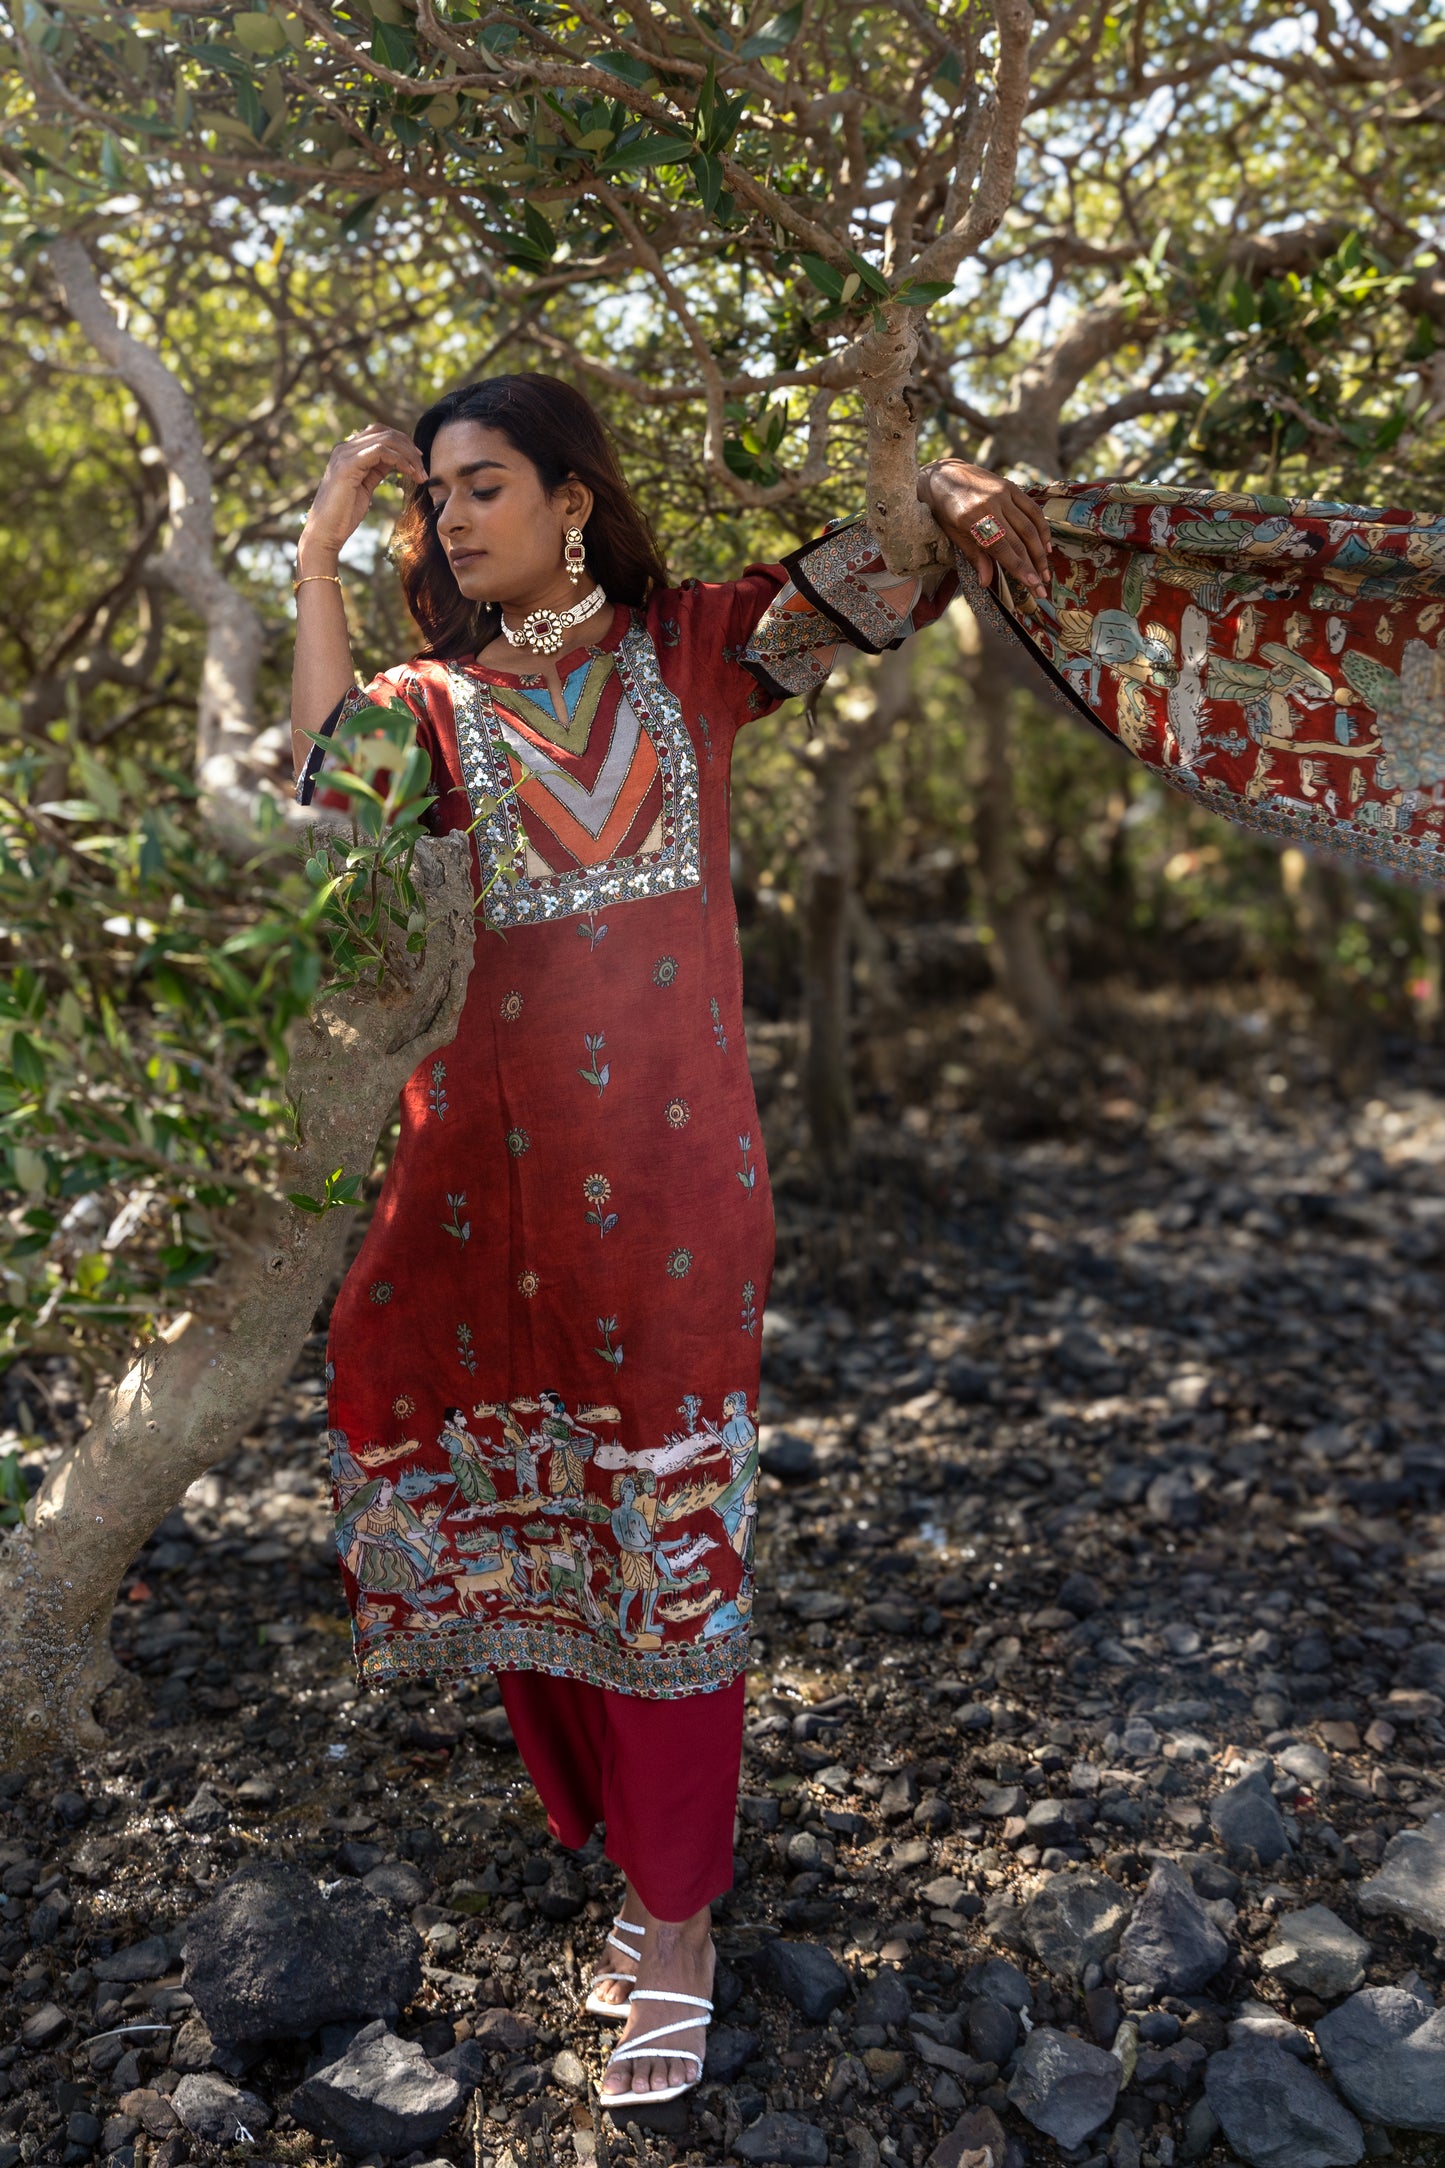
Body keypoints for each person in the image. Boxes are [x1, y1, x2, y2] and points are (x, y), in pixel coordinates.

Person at [290, 372, 1048, 2109]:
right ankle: (635, 1857)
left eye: (483, 486)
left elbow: (882, 572)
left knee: (665, 1544)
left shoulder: (696, 650)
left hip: (676, 1204)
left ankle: (679, 1917)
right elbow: (335, 825)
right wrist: (320, 565)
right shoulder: (427, 706)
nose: (451, 522)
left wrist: (937, 482)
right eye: (432, 500)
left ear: (573, 499)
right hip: (477, 1201)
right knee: (537, 1542)